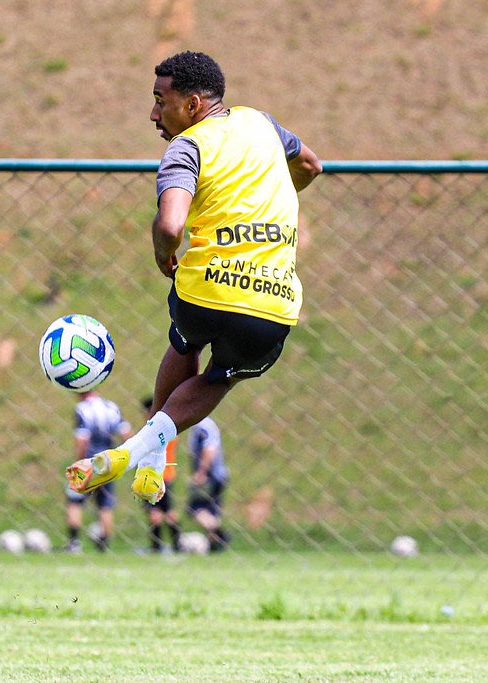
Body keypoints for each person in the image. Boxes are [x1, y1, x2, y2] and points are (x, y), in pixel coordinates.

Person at [67, 50, 322, 503]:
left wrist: (163, 253)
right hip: (272, 303)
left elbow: (170, 225)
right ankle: (146, 455)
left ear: (193, 105)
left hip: (204, 290)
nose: (153, 113)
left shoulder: (186, 147)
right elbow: (309, 166)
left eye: (159, 100)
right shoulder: (262, 124)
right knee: (219, 377)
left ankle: (140, 454)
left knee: (185, 340)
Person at [64, 390, 131, 553]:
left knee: (74, 501)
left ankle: (74, 543)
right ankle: (104, 545)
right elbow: (125, 433)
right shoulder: (111, 406)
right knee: (105, 505)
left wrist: (79, 461)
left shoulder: (82, 409)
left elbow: (83, 438)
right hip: (108, 461)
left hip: (88, 461)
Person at [140, 396, 181, 553]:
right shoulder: (169, 429)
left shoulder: (155, 430)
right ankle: (176, 543)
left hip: (157, 474)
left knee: (156, 513)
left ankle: (156, 546)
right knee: (168, 511)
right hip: (168, 474)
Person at [186, 416, 230, 552]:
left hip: (211, 476)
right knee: (212, 510)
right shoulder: (206, 424)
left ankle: (220, 534)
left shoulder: (202, 426)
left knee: (193, 509)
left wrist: (201, 472)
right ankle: (214, 543)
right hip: (218, 474)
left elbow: (209, 448)